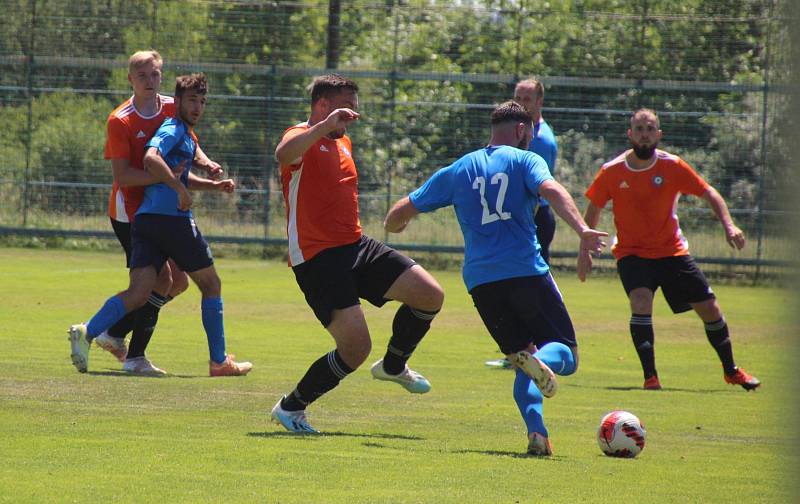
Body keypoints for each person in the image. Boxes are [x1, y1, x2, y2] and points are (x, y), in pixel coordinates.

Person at [384, 101, 607, 455]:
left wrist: (396, 224)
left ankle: (537, 433)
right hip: (525, 273)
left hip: (482, 284)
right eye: (530, 132)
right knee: (565, 354)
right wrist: (581, 229)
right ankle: (542, 363)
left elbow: (399, 213)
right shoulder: (526, 160)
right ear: (521, 129)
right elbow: (551, 190)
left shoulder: (459, 169)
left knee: (524, 360)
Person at [270, 74, 444, 434]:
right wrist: (323, 127)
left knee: (430, 294)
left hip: (357, 246)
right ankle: (291, 408)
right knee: (355, 349)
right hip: (318, 259)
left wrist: (335, 127)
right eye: (346, 107)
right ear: (322, 105)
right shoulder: (300, 135)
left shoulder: (344, 141)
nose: (353, 115)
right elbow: (283, 154)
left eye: (355, 107)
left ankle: (394, 365)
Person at [68, 73, 252, 377]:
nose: (198, 106)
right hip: (172, 222)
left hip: (146, 221)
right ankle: (219, 362)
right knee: (211, 284)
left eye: (203, 101)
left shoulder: (183, 134)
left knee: (140, 291)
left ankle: (87, 331)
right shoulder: (173, 129)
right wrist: (180, 191)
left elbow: (176, 175)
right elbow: (152, 159)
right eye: (192, 100)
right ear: (176, 101)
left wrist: (211, 186)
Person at [580, 108, 760, 391]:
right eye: (639, 129)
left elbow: (709, 192)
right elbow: (593, 209)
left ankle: (731, 370)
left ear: (658, 134)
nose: (644, 134)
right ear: (630, 134)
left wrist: (729, 226)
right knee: (640, 301)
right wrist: (585, 250)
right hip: (632, 253)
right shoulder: (612, 171)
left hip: (672, 252)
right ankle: (650, 377)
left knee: (710, 309)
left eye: (649, 128)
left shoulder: (672, 165)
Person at [86, 50, 223, 375]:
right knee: (161, 281)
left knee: (177, 284)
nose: (149, 81)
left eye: (155, 75)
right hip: (130, 210)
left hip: (159, 208)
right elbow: (124, 177)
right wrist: (172, 182)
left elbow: (189, 141)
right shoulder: (121, 119)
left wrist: (203, 162)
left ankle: (114, 334)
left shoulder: (175, 107)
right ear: (130, 79)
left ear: (162, 76)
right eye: (142, 75)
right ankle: (120, 347)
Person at [486, 77, 560, 370]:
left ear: (540, 102)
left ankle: (535, 351)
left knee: (528, 287)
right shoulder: (520, 131)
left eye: (527, 98)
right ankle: (521, 351)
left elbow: (532, 186)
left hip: (533, 217)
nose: (521, 102)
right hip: (521, 217)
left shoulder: (538, 139)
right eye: (518, 96)